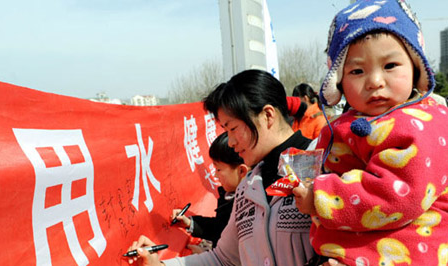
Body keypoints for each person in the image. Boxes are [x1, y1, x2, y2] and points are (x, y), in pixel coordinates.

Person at [293, 1, 448, 265]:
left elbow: (396, 193)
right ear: (339, 81)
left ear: (416, 68)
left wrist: (320, 196)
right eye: (357, 71)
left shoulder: (420, 123)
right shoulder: (351, 120)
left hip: (403, 252)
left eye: (390, 66)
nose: (375, 81)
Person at [127, 69, 316, 266]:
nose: (231, 142)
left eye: (233, 129)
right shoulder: (247, 189)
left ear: (268, 115)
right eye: (226, 130)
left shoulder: (324, 162)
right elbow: (223, 259)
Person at [170, 131, 249, 253]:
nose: (215, 175)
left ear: (242, 171)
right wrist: (190, 223)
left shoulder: (248, 211)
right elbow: (220, 227)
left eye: (218, 169)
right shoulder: (231, 195)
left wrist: (205, 258)